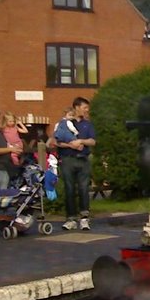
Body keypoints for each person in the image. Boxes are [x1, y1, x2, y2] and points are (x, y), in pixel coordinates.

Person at [54, 96, 97, 231]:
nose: (86, 111)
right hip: (68, 159)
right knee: (69, 189)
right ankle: (70, 218)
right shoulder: (64, 123)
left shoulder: (87, 124)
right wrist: (70, 145)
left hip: (83, 159)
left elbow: (93, 141)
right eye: (84, 108)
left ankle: (84, 218)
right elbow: (55, 141)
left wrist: (81, 142)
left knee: (84, 189)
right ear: (77, 107)